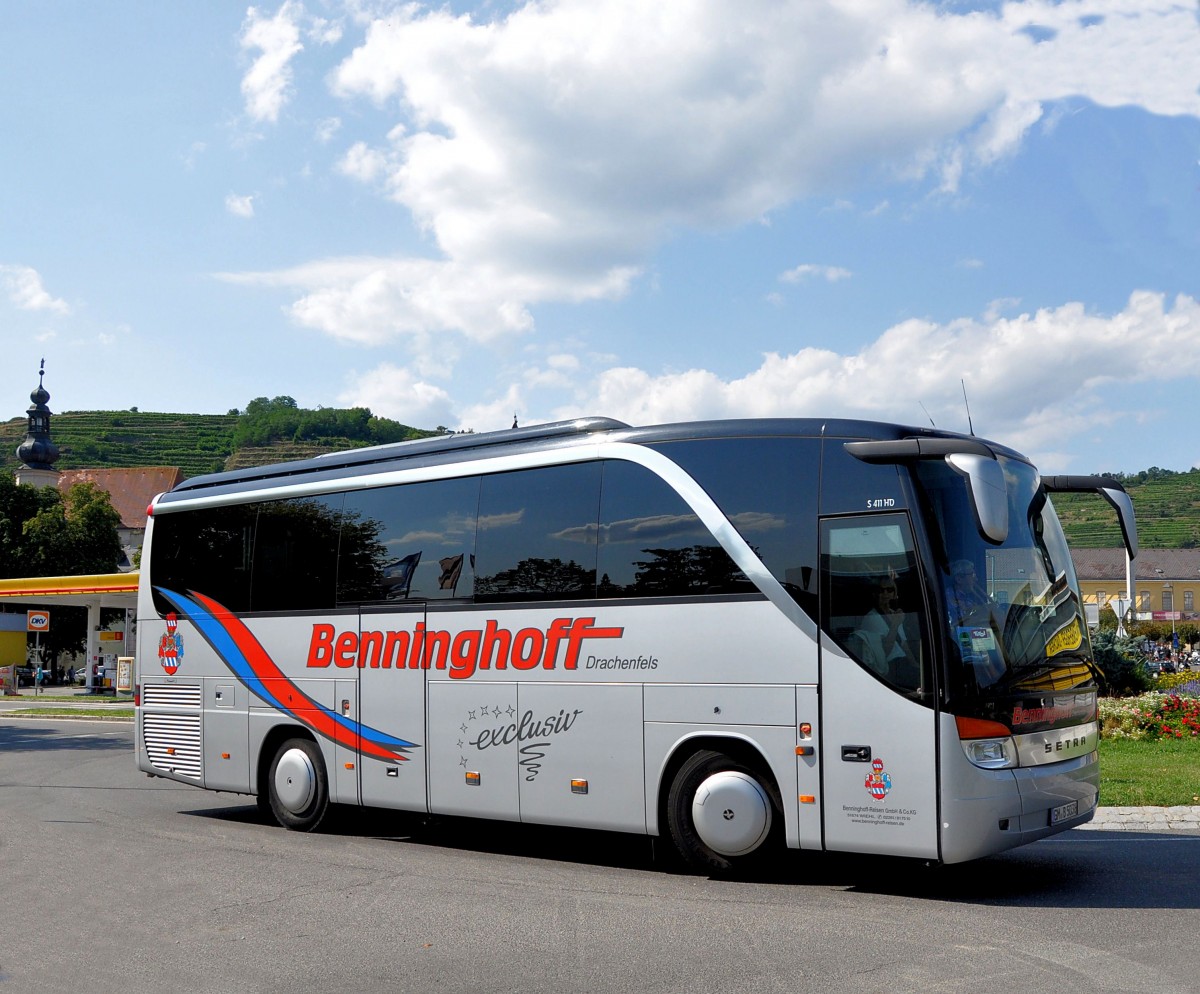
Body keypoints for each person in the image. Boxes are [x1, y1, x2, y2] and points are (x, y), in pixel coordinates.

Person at [848, 576, 912, 681]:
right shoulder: (872, 618)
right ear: (875, 593)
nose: (886, 594)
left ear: (894, 593)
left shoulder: (895, 614)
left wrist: (914, 663)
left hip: (904, 663)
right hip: (890, 668)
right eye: (882, 590)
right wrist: (895, 625)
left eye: (889, 590)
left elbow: (904, 645)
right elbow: (883, 653)